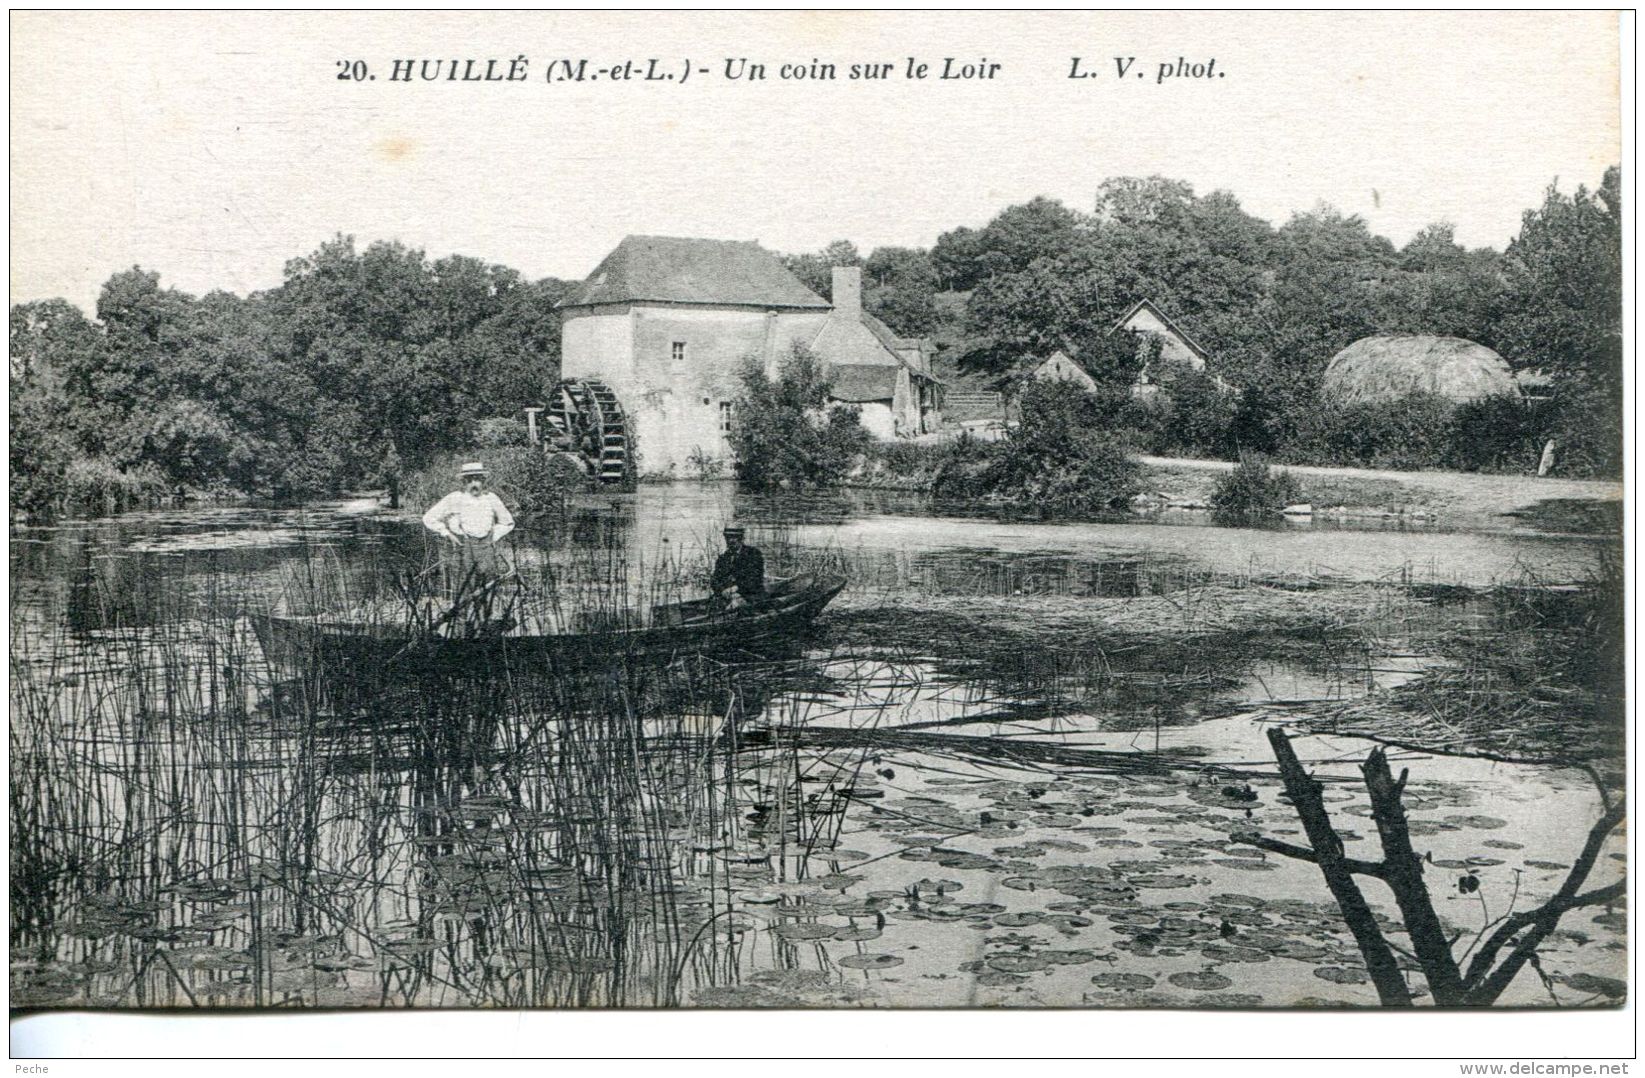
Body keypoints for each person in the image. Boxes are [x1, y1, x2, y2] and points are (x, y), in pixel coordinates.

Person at [422, 462, 516, 595]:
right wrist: (447, 534)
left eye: (477, 479)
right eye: (469, 480)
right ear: (463, 482)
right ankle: (461, 615)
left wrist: (494, 535)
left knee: (488, 585)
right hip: (462, 547)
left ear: (483, 481)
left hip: (486, 548)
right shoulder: (454, 498)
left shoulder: (491, 498)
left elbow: (507, 522)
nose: (474, 484)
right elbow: (429, 518)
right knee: (464, 587)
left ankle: (485, 615)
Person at [710, 525, 765, 610]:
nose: (730, 540)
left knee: (733, 608)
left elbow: (755, 579)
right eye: (728, 538)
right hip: (726, 596)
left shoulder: (753, 554)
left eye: (734, 537)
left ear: (741, 539)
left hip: (750, 595)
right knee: (712, 607)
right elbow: (714, 580)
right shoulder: (723, 558)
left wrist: (737, 588)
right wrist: (722, 591)